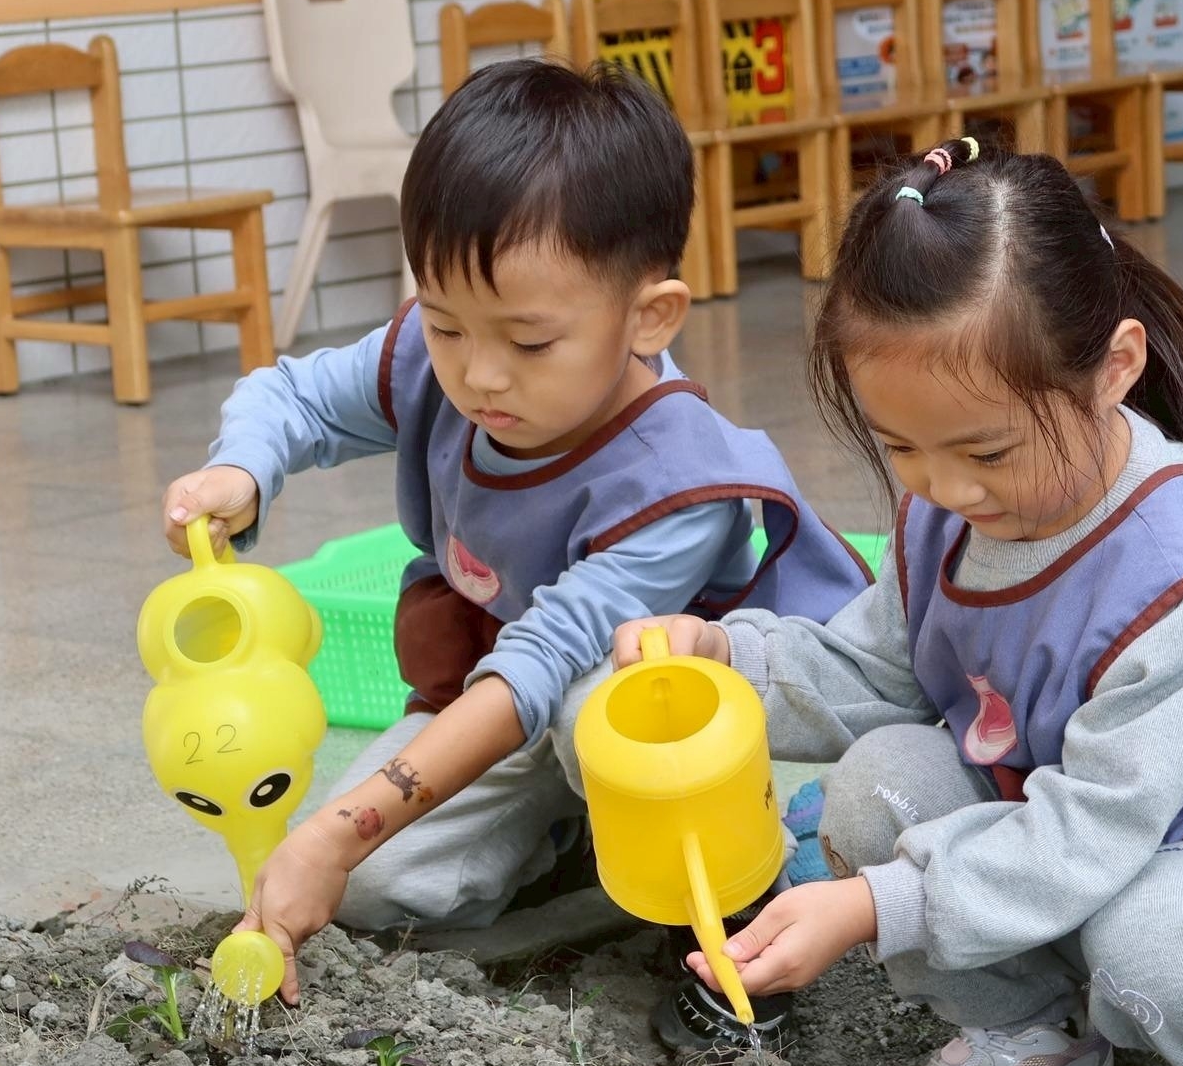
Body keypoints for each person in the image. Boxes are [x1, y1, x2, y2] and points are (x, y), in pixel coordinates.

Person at [615, 139, 1183, 1066]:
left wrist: (871, 909)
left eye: (986, 453)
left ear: (1113, 367)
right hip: (1082, 851)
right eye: (901, 448)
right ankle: (1038, 1050)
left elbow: (1092, 826)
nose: (946, 487)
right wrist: (728, 654)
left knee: (1153, 941)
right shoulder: (943, 519)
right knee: (880, 783)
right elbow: (874, 671)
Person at [158, 60, 868, 1012]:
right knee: (378, 891)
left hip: (618, 714)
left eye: (528, 343)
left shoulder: (675, 483)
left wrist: (335, 829)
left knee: (584, 712)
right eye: (448, 326)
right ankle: (570, 849)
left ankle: (732, 899)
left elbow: (540, 666)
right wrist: (241, 468)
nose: (478, 376)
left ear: (649, 317)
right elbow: (288, 395)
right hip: (488, 698)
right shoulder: (438, 354)